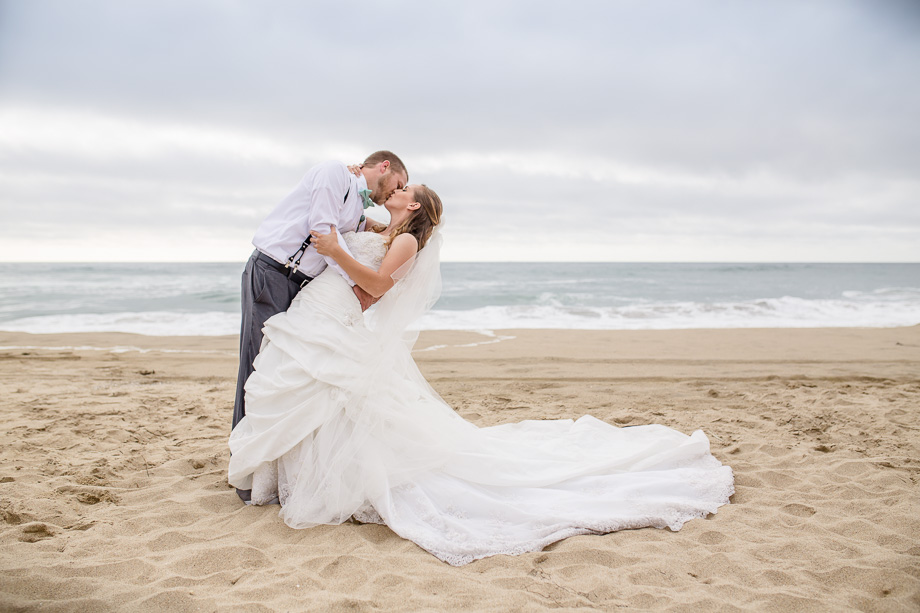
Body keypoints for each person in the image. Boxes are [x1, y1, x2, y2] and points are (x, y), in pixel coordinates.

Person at [228, 185, 734, 566]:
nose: (397, 189)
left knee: (332, 395)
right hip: (319, 314)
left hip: (332, 316)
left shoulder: (405, 244)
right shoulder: (384, 230)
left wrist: (338, 253)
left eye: (406, 190)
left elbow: (377, 288)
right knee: (307, 390)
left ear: (415, 208)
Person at [232, 151, 408, 432]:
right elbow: (323, 230)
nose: (396, 192)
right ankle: (241, 448)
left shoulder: (355, 205)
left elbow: (362, 229)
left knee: (281, 366)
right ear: (385, 167)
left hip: (302, 285)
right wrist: (353, 283)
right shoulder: (335, 172)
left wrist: (406, 227)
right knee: (256, 362)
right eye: (398, 184)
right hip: (273, 272)